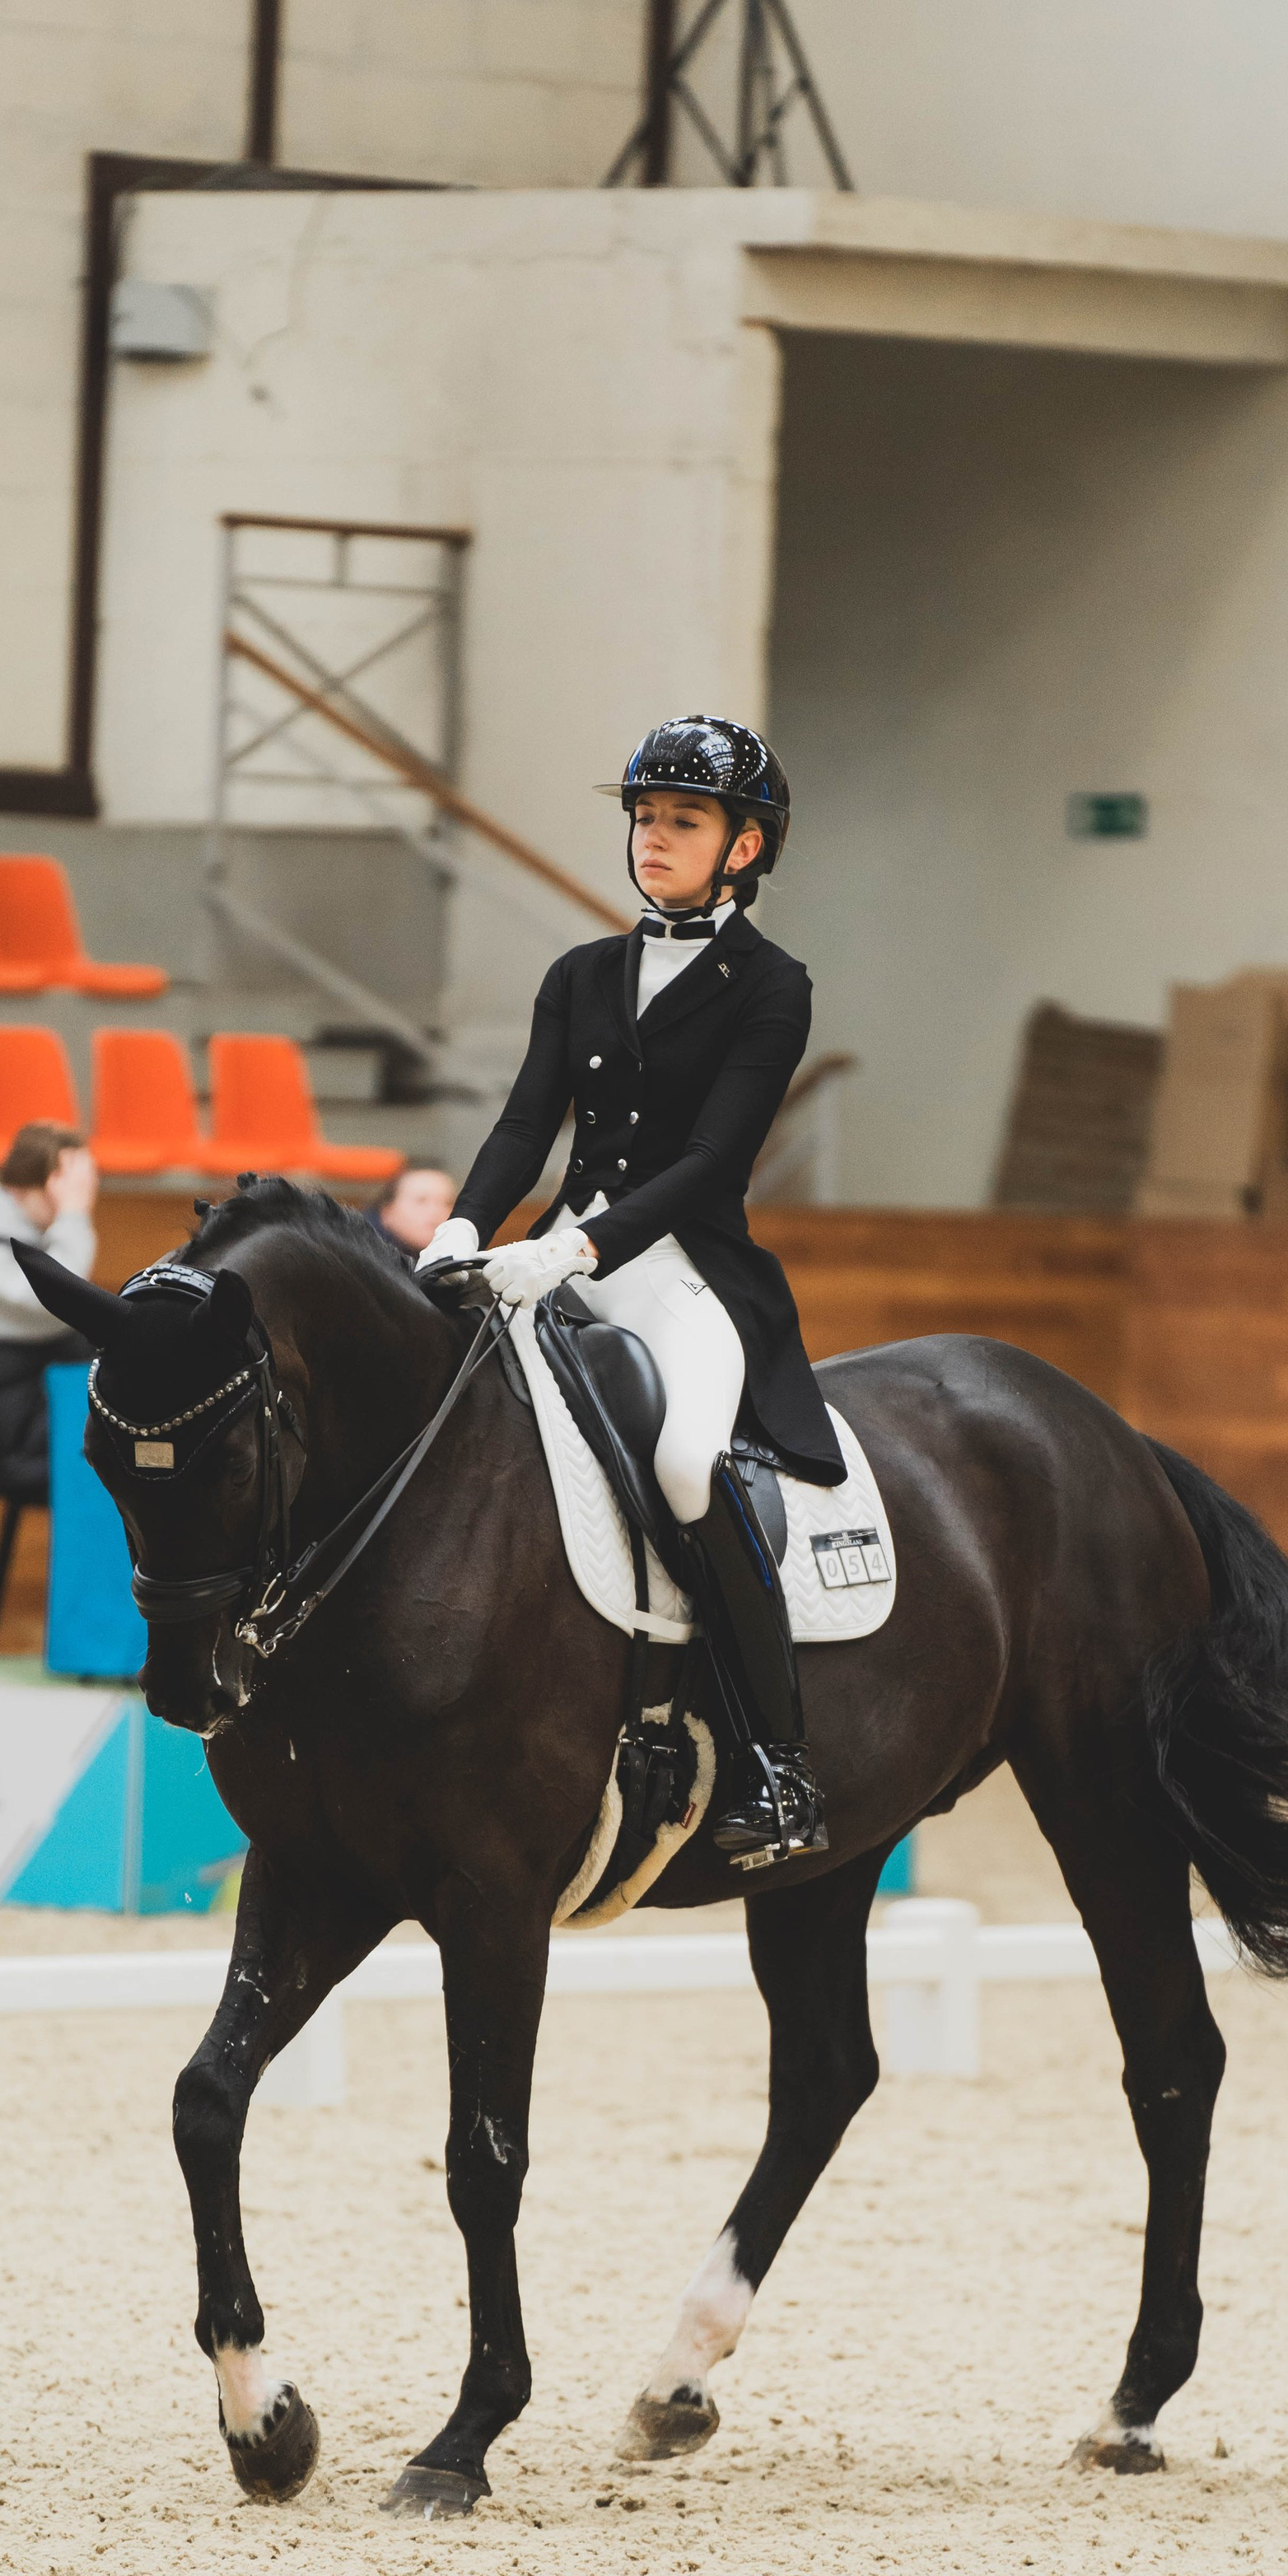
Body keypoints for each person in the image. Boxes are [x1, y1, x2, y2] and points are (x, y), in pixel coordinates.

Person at [420, 714, 845, 1869]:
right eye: (645, 819)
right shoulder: (581, 975)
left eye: (684, 822)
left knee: (683, 1464)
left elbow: (713, 1162)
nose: (654, 840)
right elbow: (524, 1124)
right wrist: (464, 1223)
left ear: (746, 848)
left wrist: (574, 1253)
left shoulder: (774, 988)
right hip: (549, 1248)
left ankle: (781, 1763)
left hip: (677, 1273)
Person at [0, 1122, 100, 1501]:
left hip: (57, 1429)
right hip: (27, 1448)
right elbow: (63, 1303)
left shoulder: (31, 1236)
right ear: (43, 1183)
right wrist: (74, 1216)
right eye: (74, 1187)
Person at [370, 1159, 459, 1259]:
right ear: (387, 1211)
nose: (436, 1211)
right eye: (421, 1200)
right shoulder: (358, 1258)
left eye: (448, 1203)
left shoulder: (462, 1253)